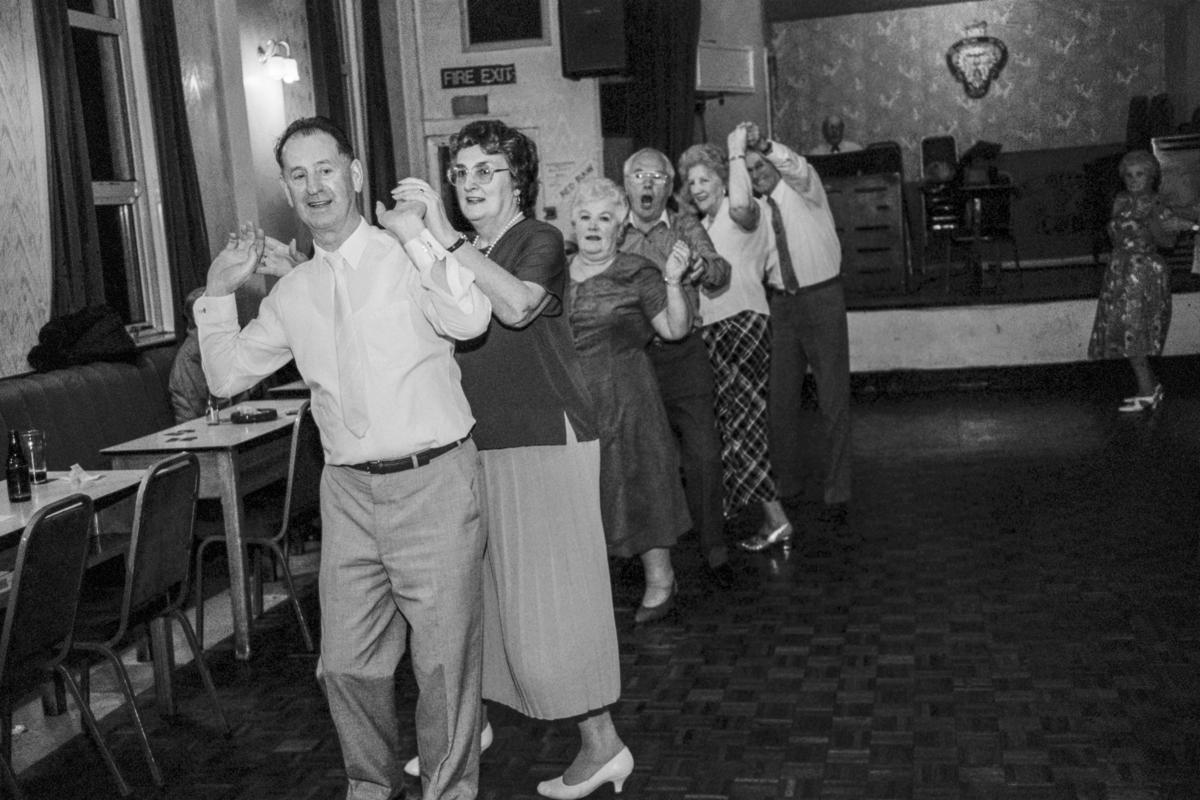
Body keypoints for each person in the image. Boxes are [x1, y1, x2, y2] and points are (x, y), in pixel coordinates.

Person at [194, 116, 493, 800]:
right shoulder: (294, 293)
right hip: (349, 495)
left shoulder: (403, 253)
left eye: (325, 168)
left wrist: (420, 236)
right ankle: (370, 783)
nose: (314, 186)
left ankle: (450, 792)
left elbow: (470, 321)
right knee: (346, 665)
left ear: (354, 174)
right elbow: (227, 376)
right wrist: (216, 295)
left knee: (444, 666)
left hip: (434, 480)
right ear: (288, 192)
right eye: (298, 175)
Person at [391, 120, 630, 799]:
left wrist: (443, 238)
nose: (469, 183)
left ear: (519, 180)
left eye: (485, 171)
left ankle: (602, 744)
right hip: (478, 440)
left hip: (544, 438)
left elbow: (519, 306)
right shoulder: (470, 246)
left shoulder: (539, 240)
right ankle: (475, 729)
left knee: (556, 607)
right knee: (487, 602)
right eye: (460, 171)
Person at [566, 177, 693, 626]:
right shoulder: (554, 274)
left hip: (628, 395)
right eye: (585, 217)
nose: (594, 226)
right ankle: (592, 584)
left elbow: (674, 330)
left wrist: (673, 281)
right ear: (573, 223)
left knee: (640, 482)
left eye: (605, 218)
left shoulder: (637, 271)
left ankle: (661, 580)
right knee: (584, 491)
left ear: (620, 226)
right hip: (573, 401)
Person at [619, 147, 734, 585]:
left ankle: (713, 544)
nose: (648, 184)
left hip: (685, 356)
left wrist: (705, 267)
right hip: (634, 357)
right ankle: (644, 548)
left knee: (703, 452)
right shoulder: (613, 231)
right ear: (626, 183)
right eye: (639, 176)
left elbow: (721, 271)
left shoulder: (685, 226)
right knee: (641, 457)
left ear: (669, 186)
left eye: (657, 177)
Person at [677, 131, 793, 552]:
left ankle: (775, 519)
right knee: (732, 426)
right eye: (691, 182)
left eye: (706, 179)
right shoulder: (705, 225)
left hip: (742, 322)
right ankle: (741, 511)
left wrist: (735, 153)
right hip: (715, 328)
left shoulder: (742, 209)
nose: (697, 188)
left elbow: (742, 202)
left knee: (745, 427)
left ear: (726, 179)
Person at [743, 122, 853, 529]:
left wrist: (765, 144)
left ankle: (838, 487)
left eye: (762, 165)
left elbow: (796, 165)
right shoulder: (752, 212)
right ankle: (787, 484)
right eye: (750, 170)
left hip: (821, 297)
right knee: (780, 401)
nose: (759, 174)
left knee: (833, 398)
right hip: (782, 306)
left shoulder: (806, 189)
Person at [1088, 149, 1197, 412]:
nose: (1134, 180)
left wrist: (1165, 225)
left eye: (1140, 174)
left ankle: (1148, 390)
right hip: (1120, 268)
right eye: (1129, 175)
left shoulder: (1155, 204)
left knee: (1135, 331)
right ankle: (1149, 387)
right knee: (1123, 329)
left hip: (1143, 269)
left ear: (1151, 177)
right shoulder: (1120, 200)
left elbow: (1167, 241)